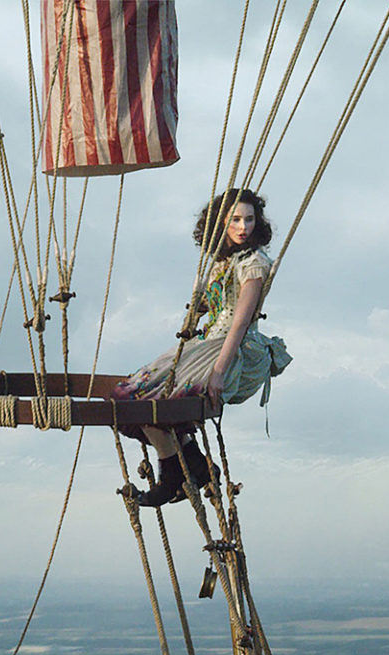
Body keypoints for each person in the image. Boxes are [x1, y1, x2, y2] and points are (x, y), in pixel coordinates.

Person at [113, 187, 293, 506]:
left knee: (155, 400)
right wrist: (198, 304)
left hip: (232, 347)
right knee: (134, 396)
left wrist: (219, 370)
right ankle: (193, 463)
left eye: (249, 220)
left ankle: (172, 476)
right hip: (207, 340)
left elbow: (240, 321)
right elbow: (208, 309)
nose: (243, 227)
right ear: (221, 223)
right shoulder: (221, 262)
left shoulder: (253, 263)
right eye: (235, 220)